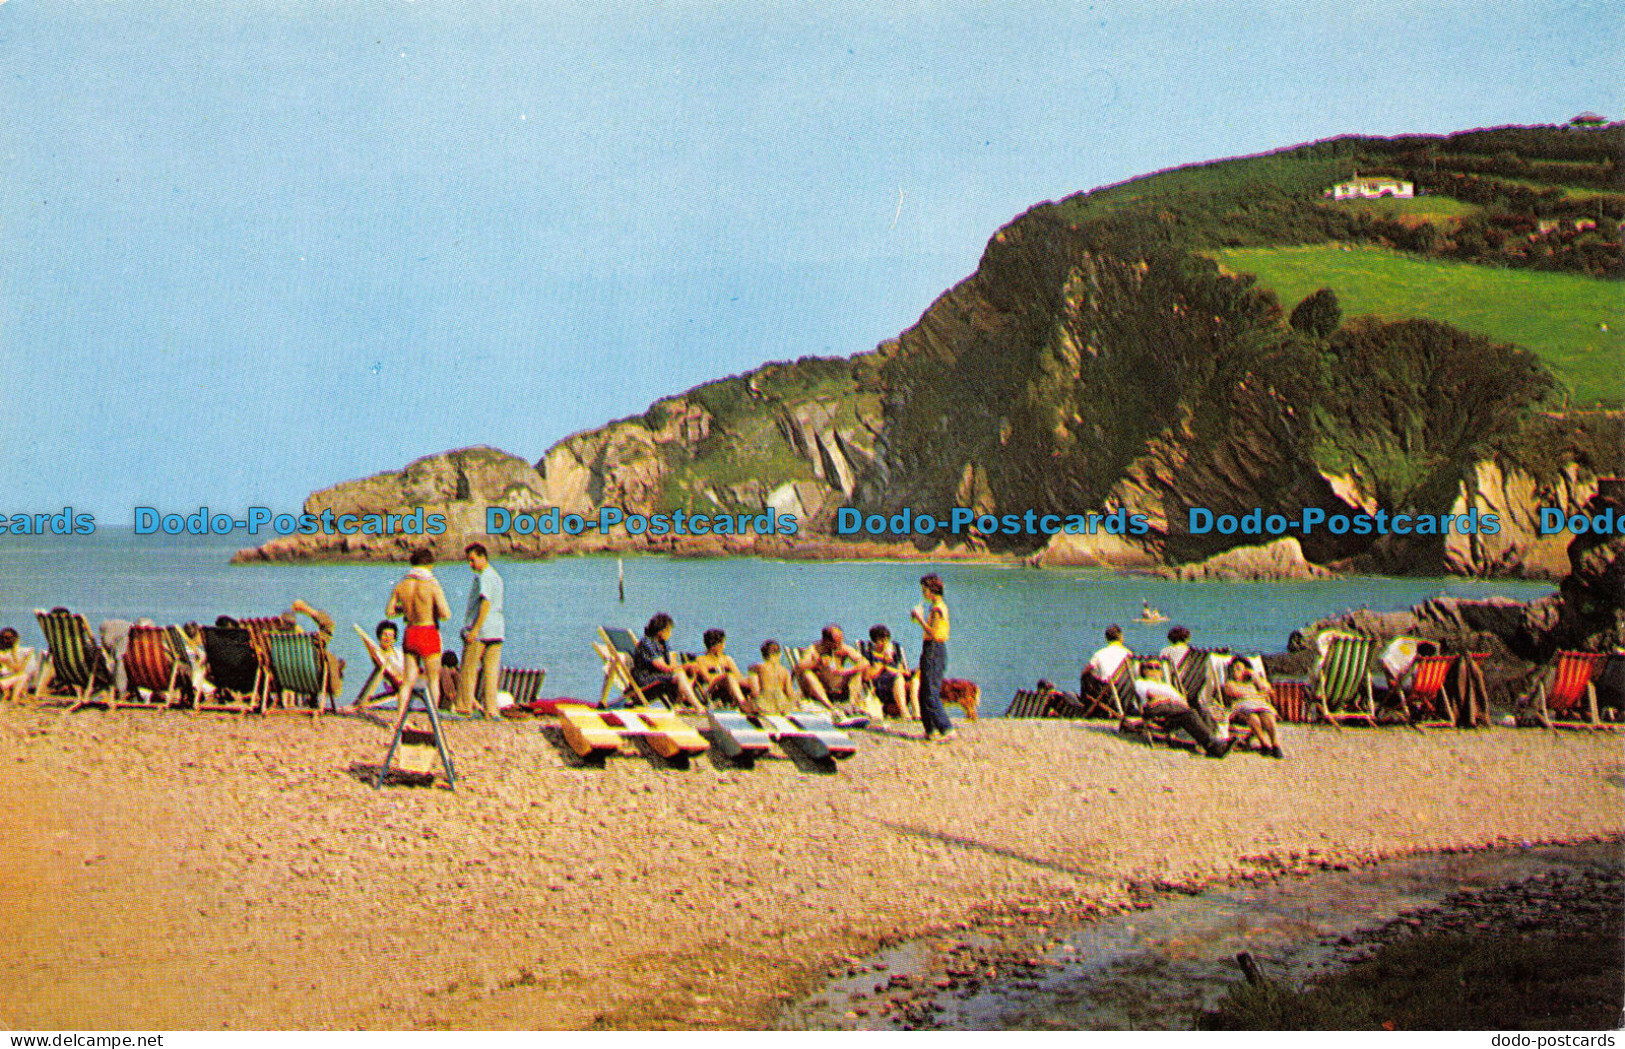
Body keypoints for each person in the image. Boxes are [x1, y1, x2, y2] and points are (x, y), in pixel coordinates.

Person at [385, 548, 451, 735]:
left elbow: (390, 611)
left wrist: (405, 610)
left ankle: (398, 721)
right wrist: (429, 610)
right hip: (428, 631)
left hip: (410, 632)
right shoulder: (431, 583)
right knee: (433, 681)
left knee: (407, 680)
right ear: (429, 564)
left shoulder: (401, 584)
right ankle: (434, 724)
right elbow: (445, 613)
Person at [1132, 661, 1232, 759]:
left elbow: (1183, 701)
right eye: (1150, 667)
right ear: (1143, 670)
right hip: (1158, 714)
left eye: (1157, 667)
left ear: (1161, 672)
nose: (1154, 670)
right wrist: (1170, 699)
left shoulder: (1167, 686)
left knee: (1203, 712)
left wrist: (1164, 698)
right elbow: (1152, 695)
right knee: (1189, 714)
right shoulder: (1141, 683)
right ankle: (1213, 745)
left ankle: (1213, 745)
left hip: (1175, 711)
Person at [457, 542, 505, 719]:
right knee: (491, 673)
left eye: (472, 560)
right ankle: (491, 709)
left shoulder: (484, 576)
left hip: (482, 629)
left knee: (468, 669)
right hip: (497, 629)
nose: (470, 565)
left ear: (482, 556)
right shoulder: (496, 576)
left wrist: (475, 629)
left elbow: (485, 603)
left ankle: (464, 706)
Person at [911, 573, 954, 742]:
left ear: (931, 591)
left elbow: (935, 633)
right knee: (924, 690)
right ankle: (931, 729)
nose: (923, 594)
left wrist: (920, 619)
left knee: (930, 691)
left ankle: (946, 728)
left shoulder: (937, 609)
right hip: (930, 648)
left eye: (924, 590)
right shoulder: (936, 607)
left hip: (935, 649)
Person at [630, 613, 700, 710]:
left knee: (688, 672)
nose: (670, 633)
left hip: (661, 678)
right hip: (647, 679)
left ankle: (678, 704)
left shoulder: (664, 643)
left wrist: (688, 668)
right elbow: (664, 668)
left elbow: (673, 664)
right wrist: (684, 667)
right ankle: (697, 706)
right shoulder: (647, 643)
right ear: (660, 631)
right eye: (669, 630)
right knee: (679, 674)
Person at [280, 598, 346, 697]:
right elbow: (329, 625)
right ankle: (337, 667)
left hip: (287, 679)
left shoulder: (272, 648)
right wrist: (306, 609)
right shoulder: (312, 646)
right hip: (313, 679)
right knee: (332, 663)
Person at [796, 625, 869, 713]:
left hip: (839, 682)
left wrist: (846, 671)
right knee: (807, 673)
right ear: (826, 641)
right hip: (822, 685)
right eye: (836, 642)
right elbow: (800, 667)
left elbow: (865, 663)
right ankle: (829, 706)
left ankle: (852, 704)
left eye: (840, 640)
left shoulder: (843, 648)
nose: (838, 644)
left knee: (858, 672)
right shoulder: (815, 649)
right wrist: (817, 663)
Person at [1221, 657, 1284, 758]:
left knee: (1267, 715)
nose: (1235, 672)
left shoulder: (1253, 683)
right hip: (1243, 709)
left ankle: (1275, 745)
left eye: (1238, 669)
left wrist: (1255, 676)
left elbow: (1268, 689)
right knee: (1253, 717)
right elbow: (1235, 693)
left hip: (1259, 706)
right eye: (1233, 669)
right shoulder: (1230, 683)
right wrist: (1259, 695)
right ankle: (1264, 744)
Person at [861, 624, 916, 719]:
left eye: (886, 640)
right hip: (880, 686)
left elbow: (904, 672)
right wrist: (883, 664)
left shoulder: (894, 654)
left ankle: (917, 712)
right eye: (881, 640)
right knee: (898, 678)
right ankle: (904, 711)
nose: (884, 643)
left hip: (897, 682)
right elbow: (867, 676)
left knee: (902, 678)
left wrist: (891, 665)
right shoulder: (869, 655)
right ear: (874, 642)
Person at [689, 628, 752, 709]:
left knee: (752, 678)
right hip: (712, 689)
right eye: (722, 644)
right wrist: (723, 677)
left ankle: (758, 701)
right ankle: (742, 703)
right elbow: (707, 679)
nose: (723, 646)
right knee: (728, 677)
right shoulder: (701, 659)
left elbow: (738, 676)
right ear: (714, 645)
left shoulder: (727, 659)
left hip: (727, 685)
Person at [1081, 625, 1133, 703]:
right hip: (1124, 691)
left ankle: (1086, 703)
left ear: (1106, 638)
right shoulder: (1129, 654)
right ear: (1121, 638)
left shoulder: (1099, 654)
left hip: (1107, 692)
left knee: (1086, 676)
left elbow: (1085, 671)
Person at [747, 640, 795, 716]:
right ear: (780, 654)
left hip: (764, 704)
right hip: (781, 705)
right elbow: (790, 693)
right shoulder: (785, 671)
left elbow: (755, 692)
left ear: (763, 655)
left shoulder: (759, 667)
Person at [0, 628, 36, 702]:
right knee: (23, 676)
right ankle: (14, 699)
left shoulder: (3, 654)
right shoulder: (2, 656)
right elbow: (19, 669)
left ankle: (19, 695)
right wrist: (26, 657)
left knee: (20, 676)